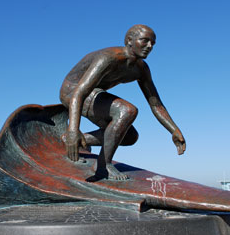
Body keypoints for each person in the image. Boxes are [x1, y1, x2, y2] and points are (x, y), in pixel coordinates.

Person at [60, 24, 186, 180]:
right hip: (73, 92)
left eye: (153, 43)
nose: (149, 46)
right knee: (127, 111)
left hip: (93, 94)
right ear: (129, 40)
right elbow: (80, 92)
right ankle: (103, 166)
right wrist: (73, 129)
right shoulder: (109, 58)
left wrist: (174, 130)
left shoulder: (141, 69)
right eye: (144, 40)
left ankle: (74, 140)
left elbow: (156, 104)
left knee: (128, 136)